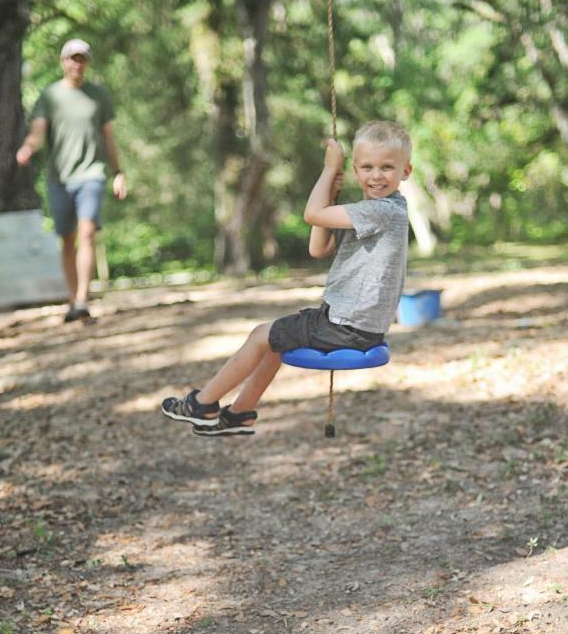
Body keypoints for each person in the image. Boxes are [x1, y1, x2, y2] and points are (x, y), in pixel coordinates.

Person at [162, 120, 412, 436]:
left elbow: (311, 215)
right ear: (356, 170)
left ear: (406, 171)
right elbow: (317, 248)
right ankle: (240, 413)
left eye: (387, 167)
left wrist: (326, 171)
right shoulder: (370, 210)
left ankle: (202, 404)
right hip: (348, 322)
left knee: (259, 335)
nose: (377, 176)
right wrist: (329, 196)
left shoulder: (383, 212)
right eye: (368, 167)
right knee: (275, 342)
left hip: (348, 326)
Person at [16, 39, 127, 322]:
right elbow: (38, 130)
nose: (77, 64)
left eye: (82, 59)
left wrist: (118, 172)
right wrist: (29, 146)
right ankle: (71, 297)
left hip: (91, 174)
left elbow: (109, 137)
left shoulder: (98, 96)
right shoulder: (50, 96)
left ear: (87, 63)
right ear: (63, 62)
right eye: (72, 58)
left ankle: (81, 300)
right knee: (67, 238)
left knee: (87, 232)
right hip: (60, 178)